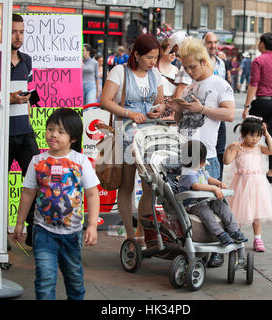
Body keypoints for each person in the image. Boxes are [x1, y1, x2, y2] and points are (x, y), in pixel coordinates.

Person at [13, 108, 100, 300]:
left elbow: (92, 194)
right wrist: (20, 222)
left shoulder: (80, 161)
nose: (53, 134)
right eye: (50, 129)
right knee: (45, 280)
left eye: (61, 131)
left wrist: (92, 225)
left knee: (74, 280)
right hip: (43, 232)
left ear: (73, 138)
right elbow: (28, 193)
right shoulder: (37, 161)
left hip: (72, 234)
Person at [169, 36, 235, 268]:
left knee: (215, 204)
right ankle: (197, 246)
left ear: (204, 61)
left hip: (206, 158)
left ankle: (219, 249)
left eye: (192, 67)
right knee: (193, 208)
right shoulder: (189, 86)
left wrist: (202, 108)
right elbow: (180, 119)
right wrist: (175, 108)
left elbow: (229, 114)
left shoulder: (219, 84)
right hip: (185, 155)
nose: (189, 71)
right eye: (185, 67)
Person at [100, 33, 165, 248]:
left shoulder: (155, 75)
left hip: (149, 136)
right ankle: (130, 235)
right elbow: (105, 101)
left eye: (156, 57)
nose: (153, 62)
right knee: (127, 185)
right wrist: (129, 113)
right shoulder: (120, 72)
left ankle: (142, 232)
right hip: (126, 133)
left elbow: (160, 103)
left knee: (149, 187)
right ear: (136, 54)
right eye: (149, 57)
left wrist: (158, 110)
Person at [224, 117, 272, 252]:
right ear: (243, 134)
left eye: (258, 136)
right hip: (241, 184)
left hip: (257, 185)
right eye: (252, 136)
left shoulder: (259, 148)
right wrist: (229, 149)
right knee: (238, 212)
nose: (255, 139)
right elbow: (227, 161)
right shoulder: (238, 148)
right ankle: (237, 237)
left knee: (257, 213)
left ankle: (258, 239)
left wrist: (267, 134)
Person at [178, 140, 247, 246]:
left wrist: (219, 183)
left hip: (206, 200)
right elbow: (196, 186)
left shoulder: (199, 170)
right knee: (206, 213)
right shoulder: (188, 173)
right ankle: (219, 234)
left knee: (222, 207)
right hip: (194, 204)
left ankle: (234, 230)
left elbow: (209, 179)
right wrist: (214, 189)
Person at [243, 32, 272, 184]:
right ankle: (271, 172)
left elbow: (254, 84)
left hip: (261, 102)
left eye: (259, 41)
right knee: (271, 135)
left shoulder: (258, 61)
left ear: (263, 43)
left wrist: (246, 106)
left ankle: (250, 167)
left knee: (251, 133)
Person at [9, 13, 39, 247]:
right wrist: (8, 98)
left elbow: (28, 97)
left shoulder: (27, 60)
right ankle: (0, 234)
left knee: (35, 181)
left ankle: (33, 232)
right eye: (13, 31)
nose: (18, 36)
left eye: (21, 31)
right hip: (2, 134)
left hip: (24, 131)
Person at [203, 32, 227, 183]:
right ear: (204, 44)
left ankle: (219, 181)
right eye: (210, 42)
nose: (213, 46)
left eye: (215, 42)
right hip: (205, 113)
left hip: (220, 113)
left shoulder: (221, 63)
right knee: (205, 150)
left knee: (220, 150)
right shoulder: (200, 62)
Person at [157, 37, 179, 120]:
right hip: (157, 106)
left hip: (171, 107)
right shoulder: (154, 67)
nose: (173, 54)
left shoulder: (176, 69)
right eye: (171, 51)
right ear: (162, 51)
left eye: (175, 52)